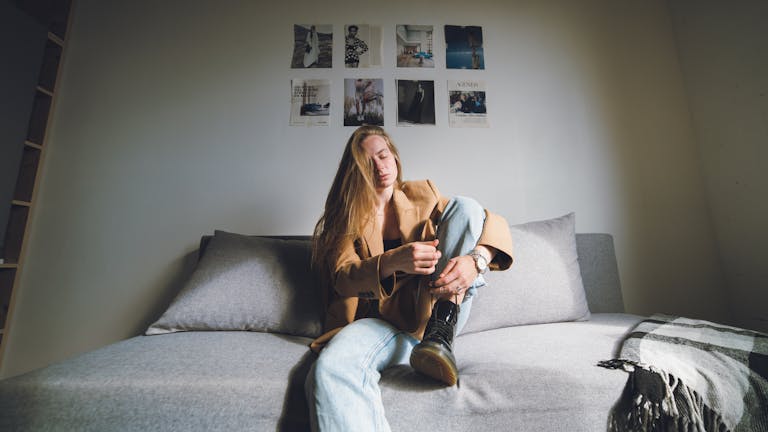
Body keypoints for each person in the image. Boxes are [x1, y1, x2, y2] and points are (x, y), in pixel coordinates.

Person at [306, 125, 513, 431]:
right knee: (332, 367)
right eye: (369, 161)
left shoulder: (422, 196)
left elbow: (487, 221)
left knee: (467, 206)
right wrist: (392, 261)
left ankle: (440, 334)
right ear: (356, 170)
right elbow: (342, 277)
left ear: (395, 157)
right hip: (377, 325)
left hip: (432, 315)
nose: (380, 166)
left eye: (383, 155)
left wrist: (476, 261)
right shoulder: (345, 217)